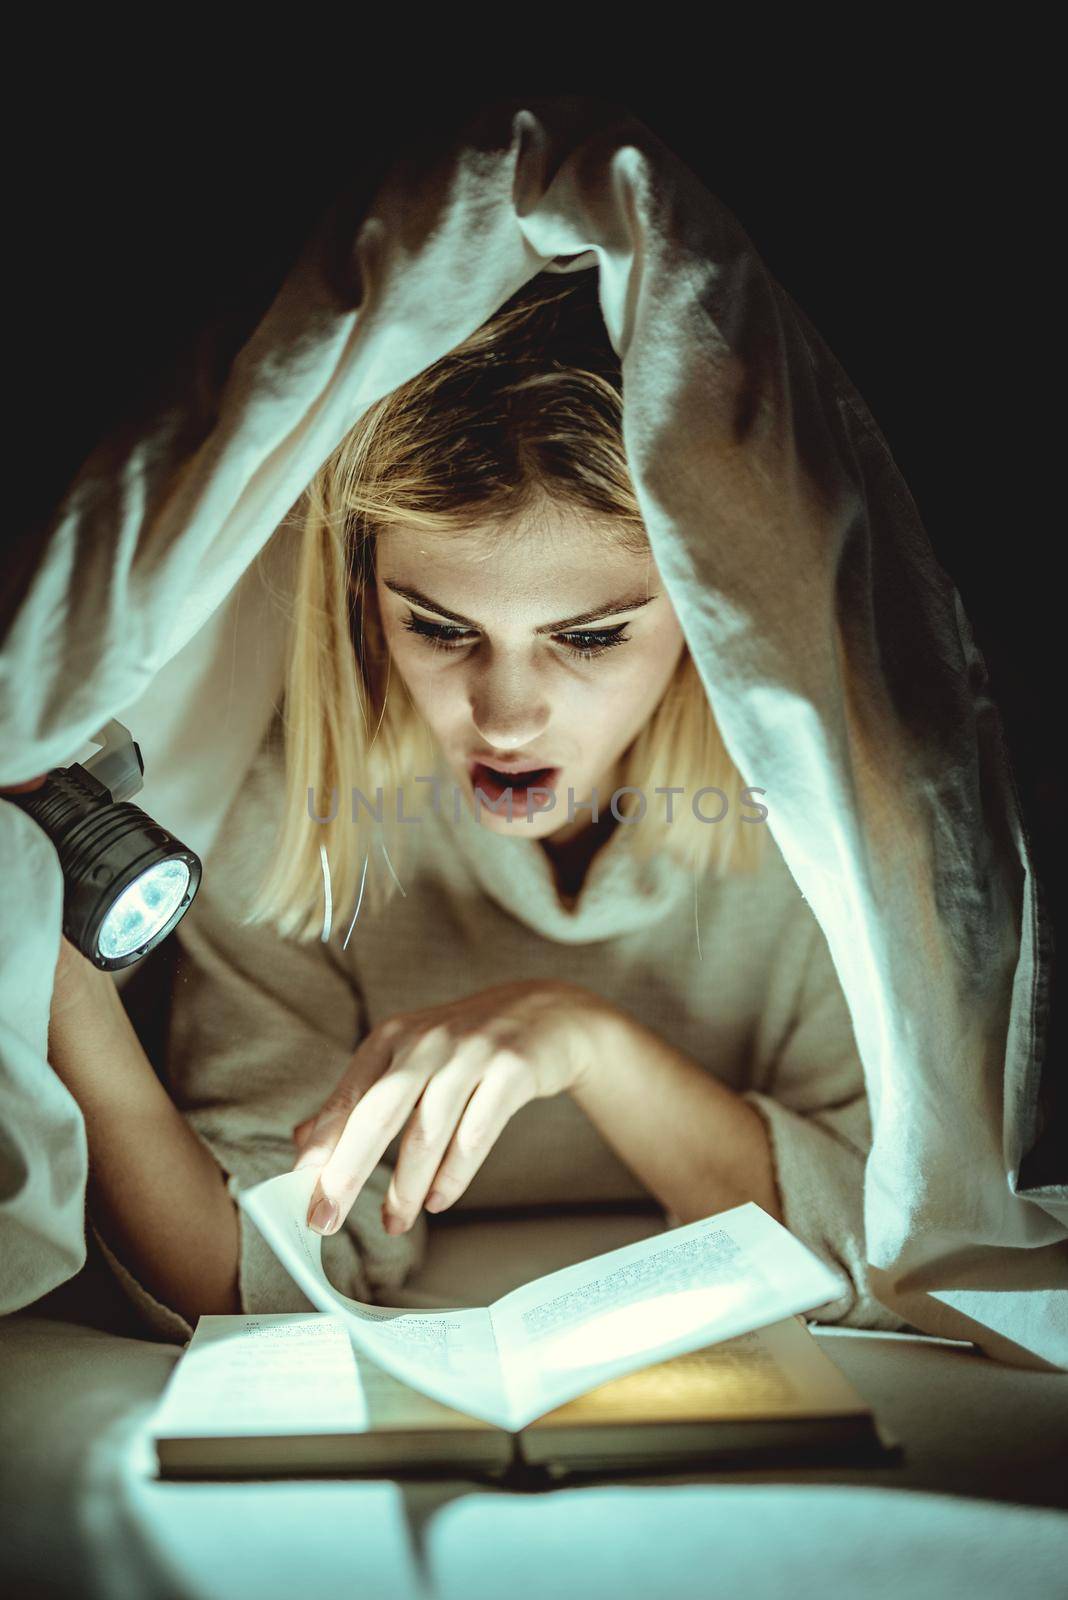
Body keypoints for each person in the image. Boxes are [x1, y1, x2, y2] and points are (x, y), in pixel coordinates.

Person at [45, 271, 907, 1341]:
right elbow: (247, 1274)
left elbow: (901, 1230)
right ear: (367, 600)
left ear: (701, 611)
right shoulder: (298, 820)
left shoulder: (826, 822)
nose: (505, 714)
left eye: (590, 637)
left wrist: (588, 1043)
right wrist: (58, 985)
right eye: (441, 629)